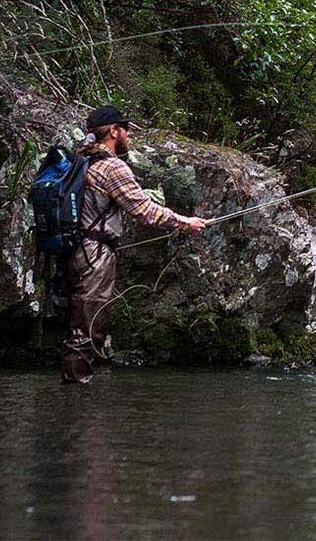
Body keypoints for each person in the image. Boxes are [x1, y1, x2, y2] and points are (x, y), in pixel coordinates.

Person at [61, 104, 208, 384]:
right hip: (94, 255)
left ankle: (73, 392)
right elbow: (143, 210)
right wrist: (184, 222)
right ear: (114, 131)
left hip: (75, 250)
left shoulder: (82, 161)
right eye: (125, 129)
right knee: (87, 328)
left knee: (81, 322)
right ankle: (75, 398)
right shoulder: (112, 167)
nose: (128, 135)